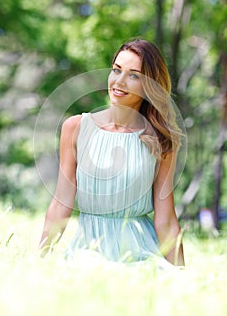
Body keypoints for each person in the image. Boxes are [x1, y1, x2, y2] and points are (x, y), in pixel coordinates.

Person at [39, 39, 185, 267]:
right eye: (116, 70)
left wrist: (182, 276)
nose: (120, 81)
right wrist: (39, 260)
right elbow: (61, 204)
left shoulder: (160, 141)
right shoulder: (76, 127)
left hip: (141, 251)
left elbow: (166, 220)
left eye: (133, 75)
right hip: (88, 250)